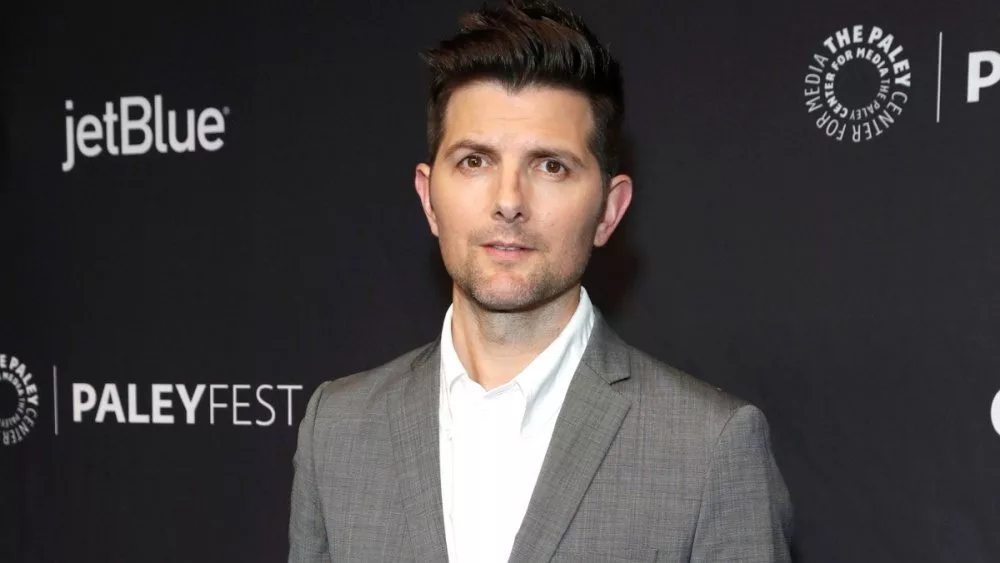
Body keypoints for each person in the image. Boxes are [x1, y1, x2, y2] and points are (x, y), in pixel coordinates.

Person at [288, 1, 793, 561]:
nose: (509, 202)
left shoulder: (708, 448)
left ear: (609, 210)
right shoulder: (337, 428)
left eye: (550, 165)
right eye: (475, 161)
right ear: (429, 199)